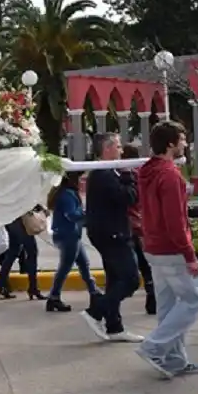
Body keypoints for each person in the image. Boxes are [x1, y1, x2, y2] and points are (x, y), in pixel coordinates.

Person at [136, 121, 198, 378]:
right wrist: (189, 254)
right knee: (193, 300)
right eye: (182, 139)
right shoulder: (169, 174)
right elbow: (175, 221)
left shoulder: (148, 171)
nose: (185, 143)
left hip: (153, 247)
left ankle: (174, 360)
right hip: (171, 250)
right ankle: (153, 347)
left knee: (168, 306)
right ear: (170, 144)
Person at [82, 133, 142, 343]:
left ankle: (114, 326)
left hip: (109, 231)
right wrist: (129, 176)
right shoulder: (104, 174)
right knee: (130, 279)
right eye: (117, 146)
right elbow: (129, 197)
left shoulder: (105, 172)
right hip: (112, 233)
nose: (121, 150)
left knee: (115, 279)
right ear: (107, 149)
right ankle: (95, 311)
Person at [46, 171, 99, 312]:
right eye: (81, 179)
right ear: (74, 179)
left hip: (69, 235)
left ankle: (94, 293)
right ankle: (54, 297)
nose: (83, 182)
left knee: (83, 264)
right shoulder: (67, 194)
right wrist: (89, 213)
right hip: (68, 235)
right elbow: (72, 215)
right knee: (65, 267)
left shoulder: (65, 192)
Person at [122, 144, 156, 315]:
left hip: (131, 223)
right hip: (137, 223)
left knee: (139, 264)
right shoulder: (138, 174)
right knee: (145, 265)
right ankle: (152, 298)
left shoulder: (126, 175)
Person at [0, 209, 45, 300]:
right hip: (20, 221)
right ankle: (33, 288)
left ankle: (0, 286)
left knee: (13, 252)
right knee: (32, 252)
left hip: (10, 219)